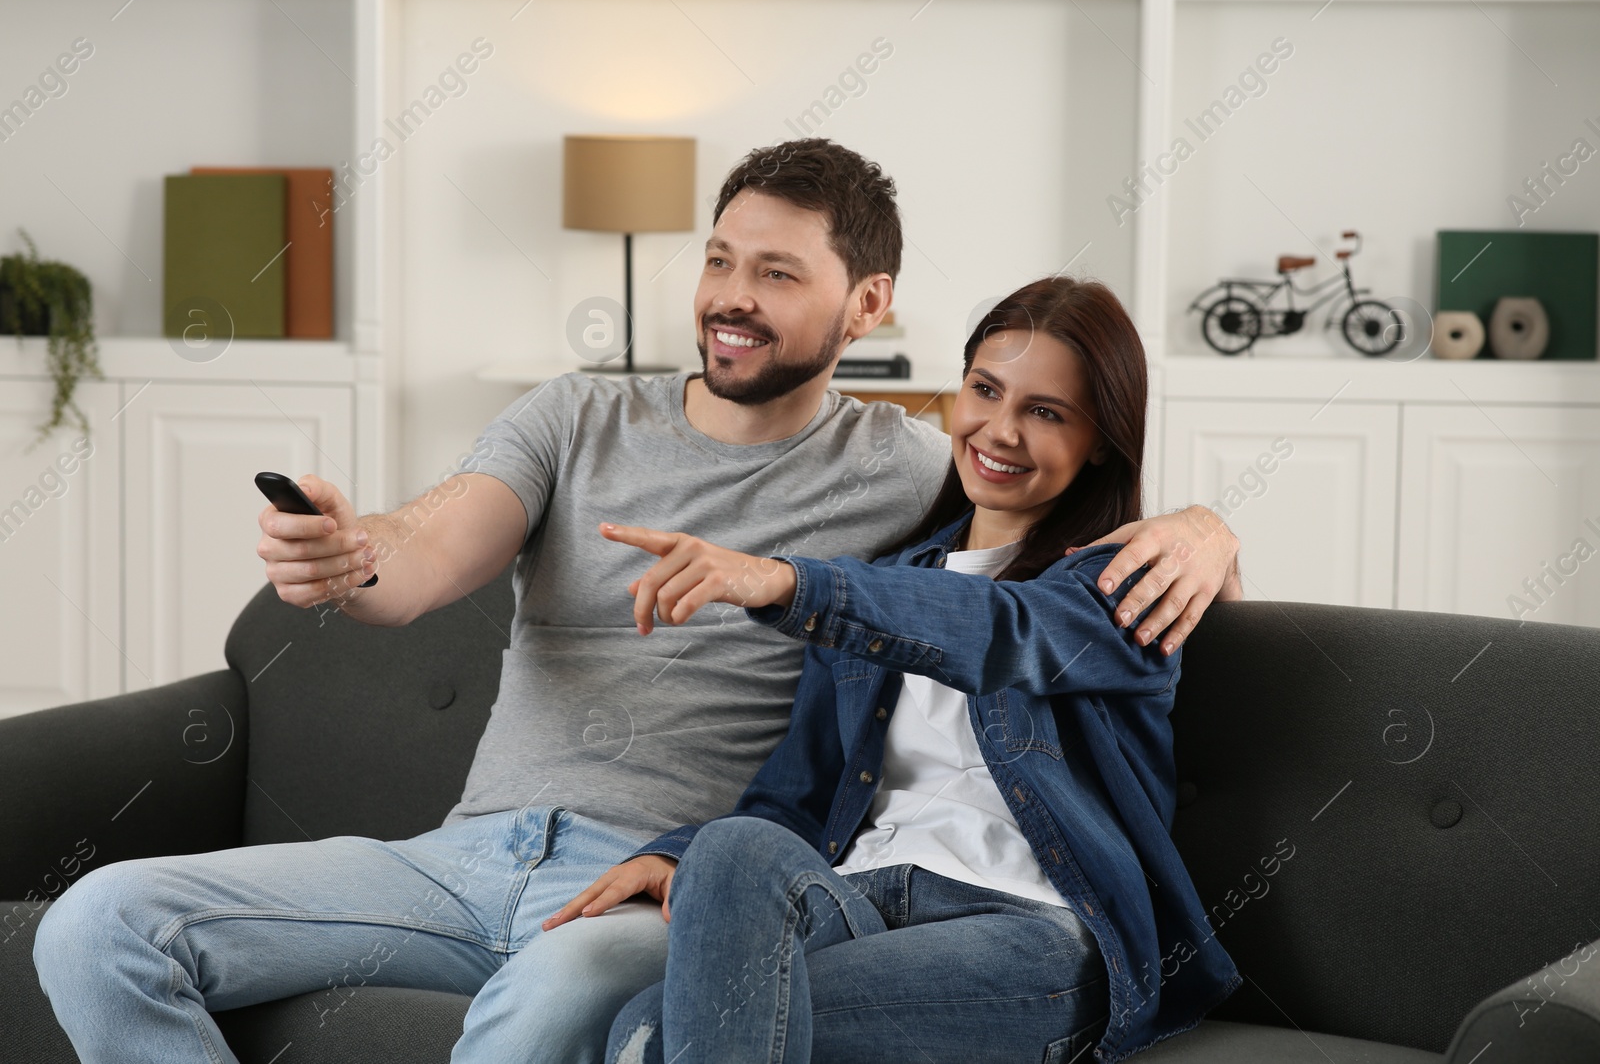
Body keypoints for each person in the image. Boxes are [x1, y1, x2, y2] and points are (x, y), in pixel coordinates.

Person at [33, 140, 1241, 1064]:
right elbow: (423, 548)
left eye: (778, 271)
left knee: (595, 996)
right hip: (465, 856)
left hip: (683, 891)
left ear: (865, 305)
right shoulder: (577, 415)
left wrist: (1207, 529)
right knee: (98, 921)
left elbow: (1031, 596)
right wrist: (349, 553)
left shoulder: (904, 471)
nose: (732, 294)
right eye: (720, 258)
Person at [548, 276, 1240, 1064]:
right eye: (986, 389)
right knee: (732, 850)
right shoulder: (894, 576)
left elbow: (998, 631)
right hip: (865, 902)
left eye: (1045, 412)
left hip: (1032, 938)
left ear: (1102, 442)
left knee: (652, 1038)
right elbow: (793, 796)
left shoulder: (1123, 587)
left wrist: (788, 581)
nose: (1000, 429)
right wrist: (673, 852)